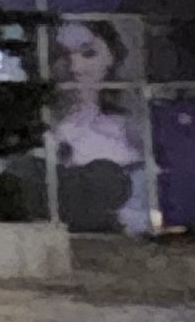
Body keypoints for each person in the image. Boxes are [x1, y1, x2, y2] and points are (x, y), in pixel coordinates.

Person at [47, 19, 147, 233]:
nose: (74, 67)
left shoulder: (129, 130)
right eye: (61, 55)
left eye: (88, 54)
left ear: (111, 58)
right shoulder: (39, 128)